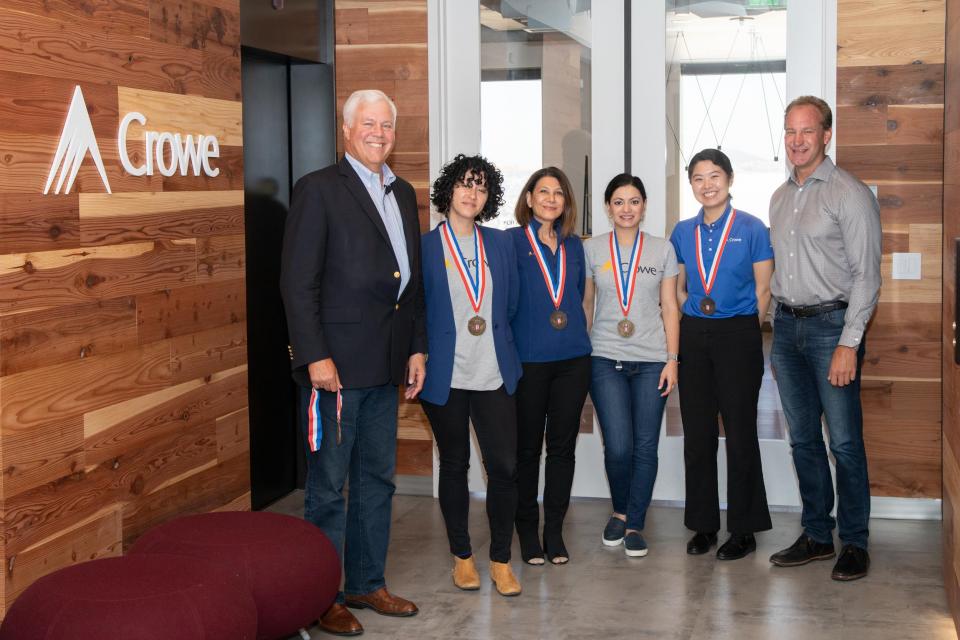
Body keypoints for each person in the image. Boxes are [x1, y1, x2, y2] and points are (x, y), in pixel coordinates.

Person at [280, 89, 425, 636]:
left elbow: (408, 285)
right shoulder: (319, 189)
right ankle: (322, 596)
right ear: (346, 130)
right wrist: (314, 356)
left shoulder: (404, 192)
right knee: (327, 487)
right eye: (368, 124)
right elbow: (297, 283)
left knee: (376, 481)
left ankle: (367, 582)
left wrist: (416, 346)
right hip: (335, 370)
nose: (379, 133)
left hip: (386, 366)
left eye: (387, 125)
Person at [768, 95, 881, 581]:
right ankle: (817, 533)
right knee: (804, 442)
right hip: (786, 330)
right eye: (790, 132)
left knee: (846, 444)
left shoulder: (848, 193)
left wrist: (848, 343)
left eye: (806, 131)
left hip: (831, 331)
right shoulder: (779, 196)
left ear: (826, 135)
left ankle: (854, 541)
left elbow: (867, 277)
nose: (797, 140)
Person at [419, 154, 524, 597]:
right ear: (448, 191)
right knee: (455, 464)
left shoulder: (499, 244)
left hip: (493, 372)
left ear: (489, 197)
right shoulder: (424, 246)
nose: (472, 194)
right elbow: (414, 310)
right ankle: (462, 557)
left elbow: (512, 303)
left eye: (481, 188)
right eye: (465, 185)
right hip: (445, 374)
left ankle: (501, 560)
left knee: (504, 467)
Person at [669, 148, 774, 560]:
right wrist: (688, 313)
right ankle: (704, 525)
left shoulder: (751, 228)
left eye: (714, 176)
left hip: (739, 335)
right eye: (698, 178)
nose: (707, 185)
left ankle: (744, 530)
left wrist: (747, 330)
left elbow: (763, 288)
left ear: (729, 180)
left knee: (741, 432)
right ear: (691, 183)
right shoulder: (682, 231)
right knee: (697, 434)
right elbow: (679, 286)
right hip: (695, 334)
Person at [583, 173, 680, 558]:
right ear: (608, 207)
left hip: (652, 358)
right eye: (619, 201)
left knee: (645, 445)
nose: (627, 209)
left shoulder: (662, 250)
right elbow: (587, 304)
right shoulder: (592, 250)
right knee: (619, 446)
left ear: (644, 206)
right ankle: (619, 510)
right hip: (605, 357)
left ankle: (634, 521)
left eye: (634, 201)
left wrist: (672, 360)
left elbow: (670, 307)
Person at [509, 167, 592, 565]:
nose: (551, 199)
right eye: (543, 191)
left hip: (573, 361)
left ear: (566, 202)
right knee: (526, 450)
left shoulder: (575, 246)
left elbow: (575, 297)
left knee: (562, 449)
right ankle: (526, 530)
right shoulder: (510, 243)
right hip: (528, 362)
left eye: (559, 193)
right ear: (528, 198)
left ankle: (554, 531)